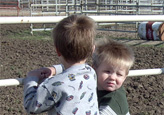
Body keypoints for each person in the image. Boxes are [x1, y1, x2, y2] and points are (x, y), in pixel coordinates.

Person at [23, 15, 99, 115]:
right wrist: (55, 69)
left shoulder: (54, 84)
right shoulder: (91, 72)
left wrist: (31, 80)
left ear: (58, 51)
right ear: (92, 50)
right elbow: (74, 71)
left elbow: (31, 106)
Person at [42, 38, 135, 115]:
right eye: (107, 71)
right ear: (94, 69)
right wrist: (54, 70)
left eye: (119, 74)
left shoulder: (114, 101)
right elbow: (78, 68)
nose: (113, 77)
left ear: (125, 76)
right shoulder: (92, 78)